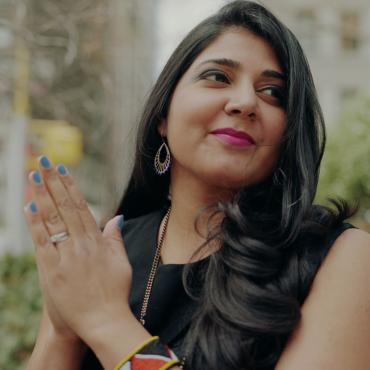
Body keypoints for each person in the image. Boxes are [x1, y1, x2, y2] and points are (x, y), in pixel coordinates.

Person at [24, 1, 370, 369]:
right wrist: (62, 330)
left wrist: (105, 321)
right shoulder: (101, 253)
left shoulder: (339, 259)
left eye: (273, 93)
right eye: (218, 77)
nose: (245, 102)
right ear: (163, 115)